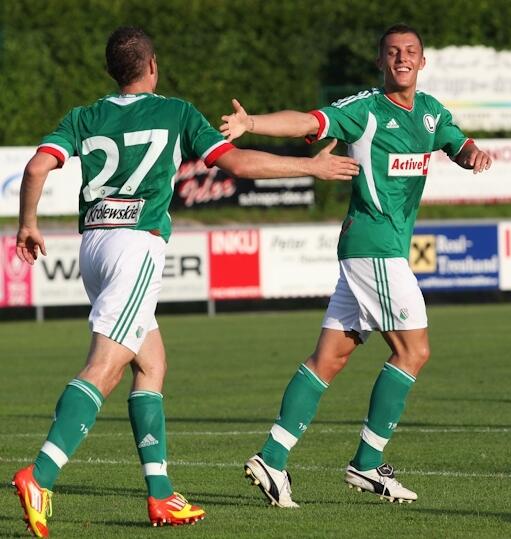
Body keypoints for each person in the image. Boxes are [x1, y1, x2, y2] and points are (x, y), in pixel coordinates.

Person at [12, 26, 359, 537]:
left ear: (112, 70)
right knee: (104, 366)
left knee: (150, 362)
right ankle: (39, 475)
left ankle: (160, 496)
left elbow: (38, 167)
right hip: (136, 247)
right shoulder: (175, 112)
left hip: (94, 248)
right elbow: (238, 162)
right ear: (151, 65)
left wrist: (28, 224)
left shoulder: (84, 116)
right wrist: (309, 165)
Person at [220, 23, 491, 507]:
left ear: (422, 62)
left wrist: (473, 155)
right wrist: (252, 124)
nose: (402, 58)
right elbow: (307, 122)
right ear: (380, 62)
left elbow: (459, 143)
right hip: (374, 247)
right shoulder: (364, 109)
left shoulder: (431, 113)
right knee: (414, 351)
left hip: (375, 250)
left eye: (410, 52)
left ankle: (272, 457)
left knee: (330, 358)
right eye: (392, 52)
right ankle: (366, 464)